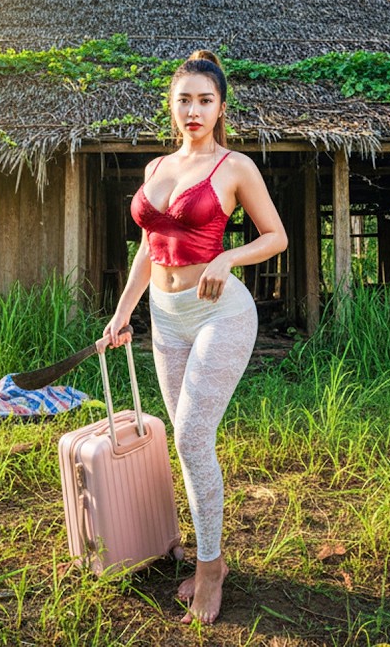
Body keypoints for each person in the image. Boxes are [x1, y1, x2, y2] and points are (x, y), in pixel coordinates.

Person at [101, 49, 288, 625]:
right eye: (184, 99)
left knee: (189, 435)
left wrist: (228, 257)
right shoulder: (157, 168)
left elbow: (275, 236)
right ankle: (205, 545)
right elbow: (146, 250)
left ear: (220, 107)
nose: (193, 110)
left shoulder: (235, 167)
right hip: (165, 316)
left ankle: (210, 570)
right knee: (189, 443)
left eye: (205, 100)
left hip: (220, 315)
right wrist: (123, 312)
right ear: (172, 106)